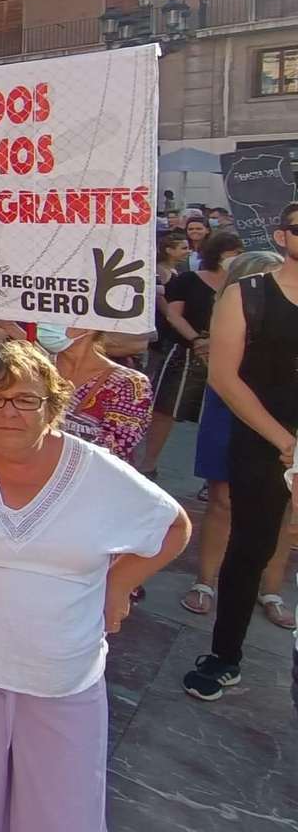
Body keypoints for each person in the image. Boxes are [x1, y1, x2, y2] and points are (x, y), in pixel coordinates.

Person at [0, 341, 189, 831]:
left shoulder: (95, 469)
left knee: (62, 813)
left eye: (26, 399)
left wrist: (117, 587)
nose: (9, 412)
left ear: (52, 406)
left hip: (63, 673)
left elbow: (172, 528)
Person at [184, 205, 298, 700]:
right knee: (250, 546)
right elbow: (225, 377)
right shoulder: (247, 294)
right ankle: (225, 656)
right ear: (282, 235)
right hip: (263, 442)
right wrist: (286, 442)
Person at [138, 228, 242, 478]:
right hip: (185, 352)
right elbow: (173, 314)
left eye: (239, 253)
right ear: (218, 253)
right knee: (166, 409)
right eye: (232, 253)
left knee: (221, 415)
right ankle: (148, 463)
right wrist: (196, 339)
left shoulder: (240, 285)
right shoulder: (188, 280)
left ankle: (214, 475)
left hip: (226, 354)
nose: (236, 257)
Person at [37, 323, 153, 463]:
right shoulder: (34, 370)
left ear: (89, 326)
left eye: (59, 320)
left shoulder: (130, 383)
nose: (46, 325)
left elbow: (117, 446)